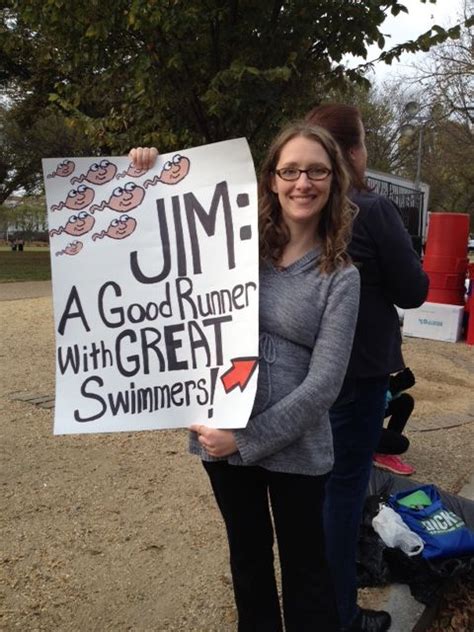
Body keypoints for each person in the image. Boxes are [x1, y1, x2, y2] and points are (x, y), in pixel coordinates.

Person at [130, 121, 360, 632]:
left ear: (333, 181)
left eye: (317, 171)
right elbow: (160, 245)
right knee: (249, 565)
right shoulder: (230, 247)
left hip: (294, 450)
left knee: (307, 573)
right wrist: (147, 176)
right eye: (291, 170)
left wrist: (246, 437)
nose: (303, 183)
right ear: (272, 180)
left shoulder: (341, 277)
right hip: (220, 439)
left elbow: (325, 385)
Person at [306, 103, 429, 632]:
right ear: (354, 149)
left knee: (310, 489)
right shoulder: (370, 211)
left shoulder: (288, 205)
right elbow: (415, 290)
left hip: (302, 369)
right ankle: (338, 614)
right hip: (357, 372)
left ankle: (313, 595)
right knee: (343, 487)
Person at [373, 368, 416, 476]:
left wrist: (396, 385)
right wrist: (393, 387)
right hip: (349, 424)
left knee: (405, 401)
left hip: (363, 414)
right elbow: (365, 407)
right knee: (401, 444)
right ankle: (375, 451)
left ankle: (384, 452)